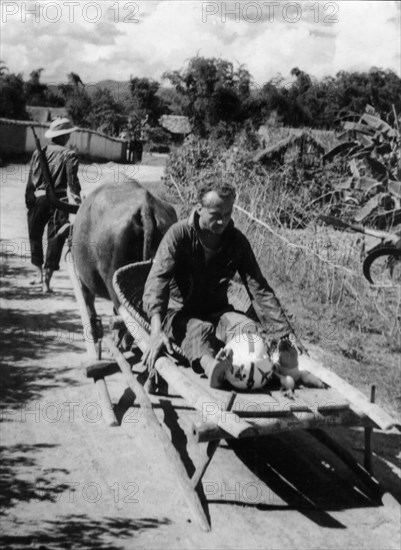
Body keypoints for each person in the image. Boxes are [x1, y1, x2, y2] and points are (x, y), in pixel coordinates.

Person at [142, 178, 299, 389]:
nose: (223, 222)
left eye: (227, 215)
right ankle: (212, 369)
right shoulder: (179, 235)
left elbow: (259, 288)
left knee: (246, 327)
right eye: (216, 215)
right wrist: (156, 330)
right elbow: (157, 280)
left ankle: (251, 369)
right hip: (178, 314)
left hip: (217, 312)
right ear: (199, 209)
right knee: (199, 329)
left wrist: (284, 334)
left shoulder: (236, 241)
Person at [25, 118, 81, 292]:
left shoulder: (39, 152)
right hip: (60, 201)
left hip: (39, 198)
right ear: (64, 136)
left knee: (35, 235)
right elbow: (73, 183)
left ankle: (38, 275)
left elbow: (31, 180)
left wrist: (30, 202)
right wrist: (78, 200)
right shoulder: (69, 154)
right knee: (56, 239)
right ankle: (47, 283)